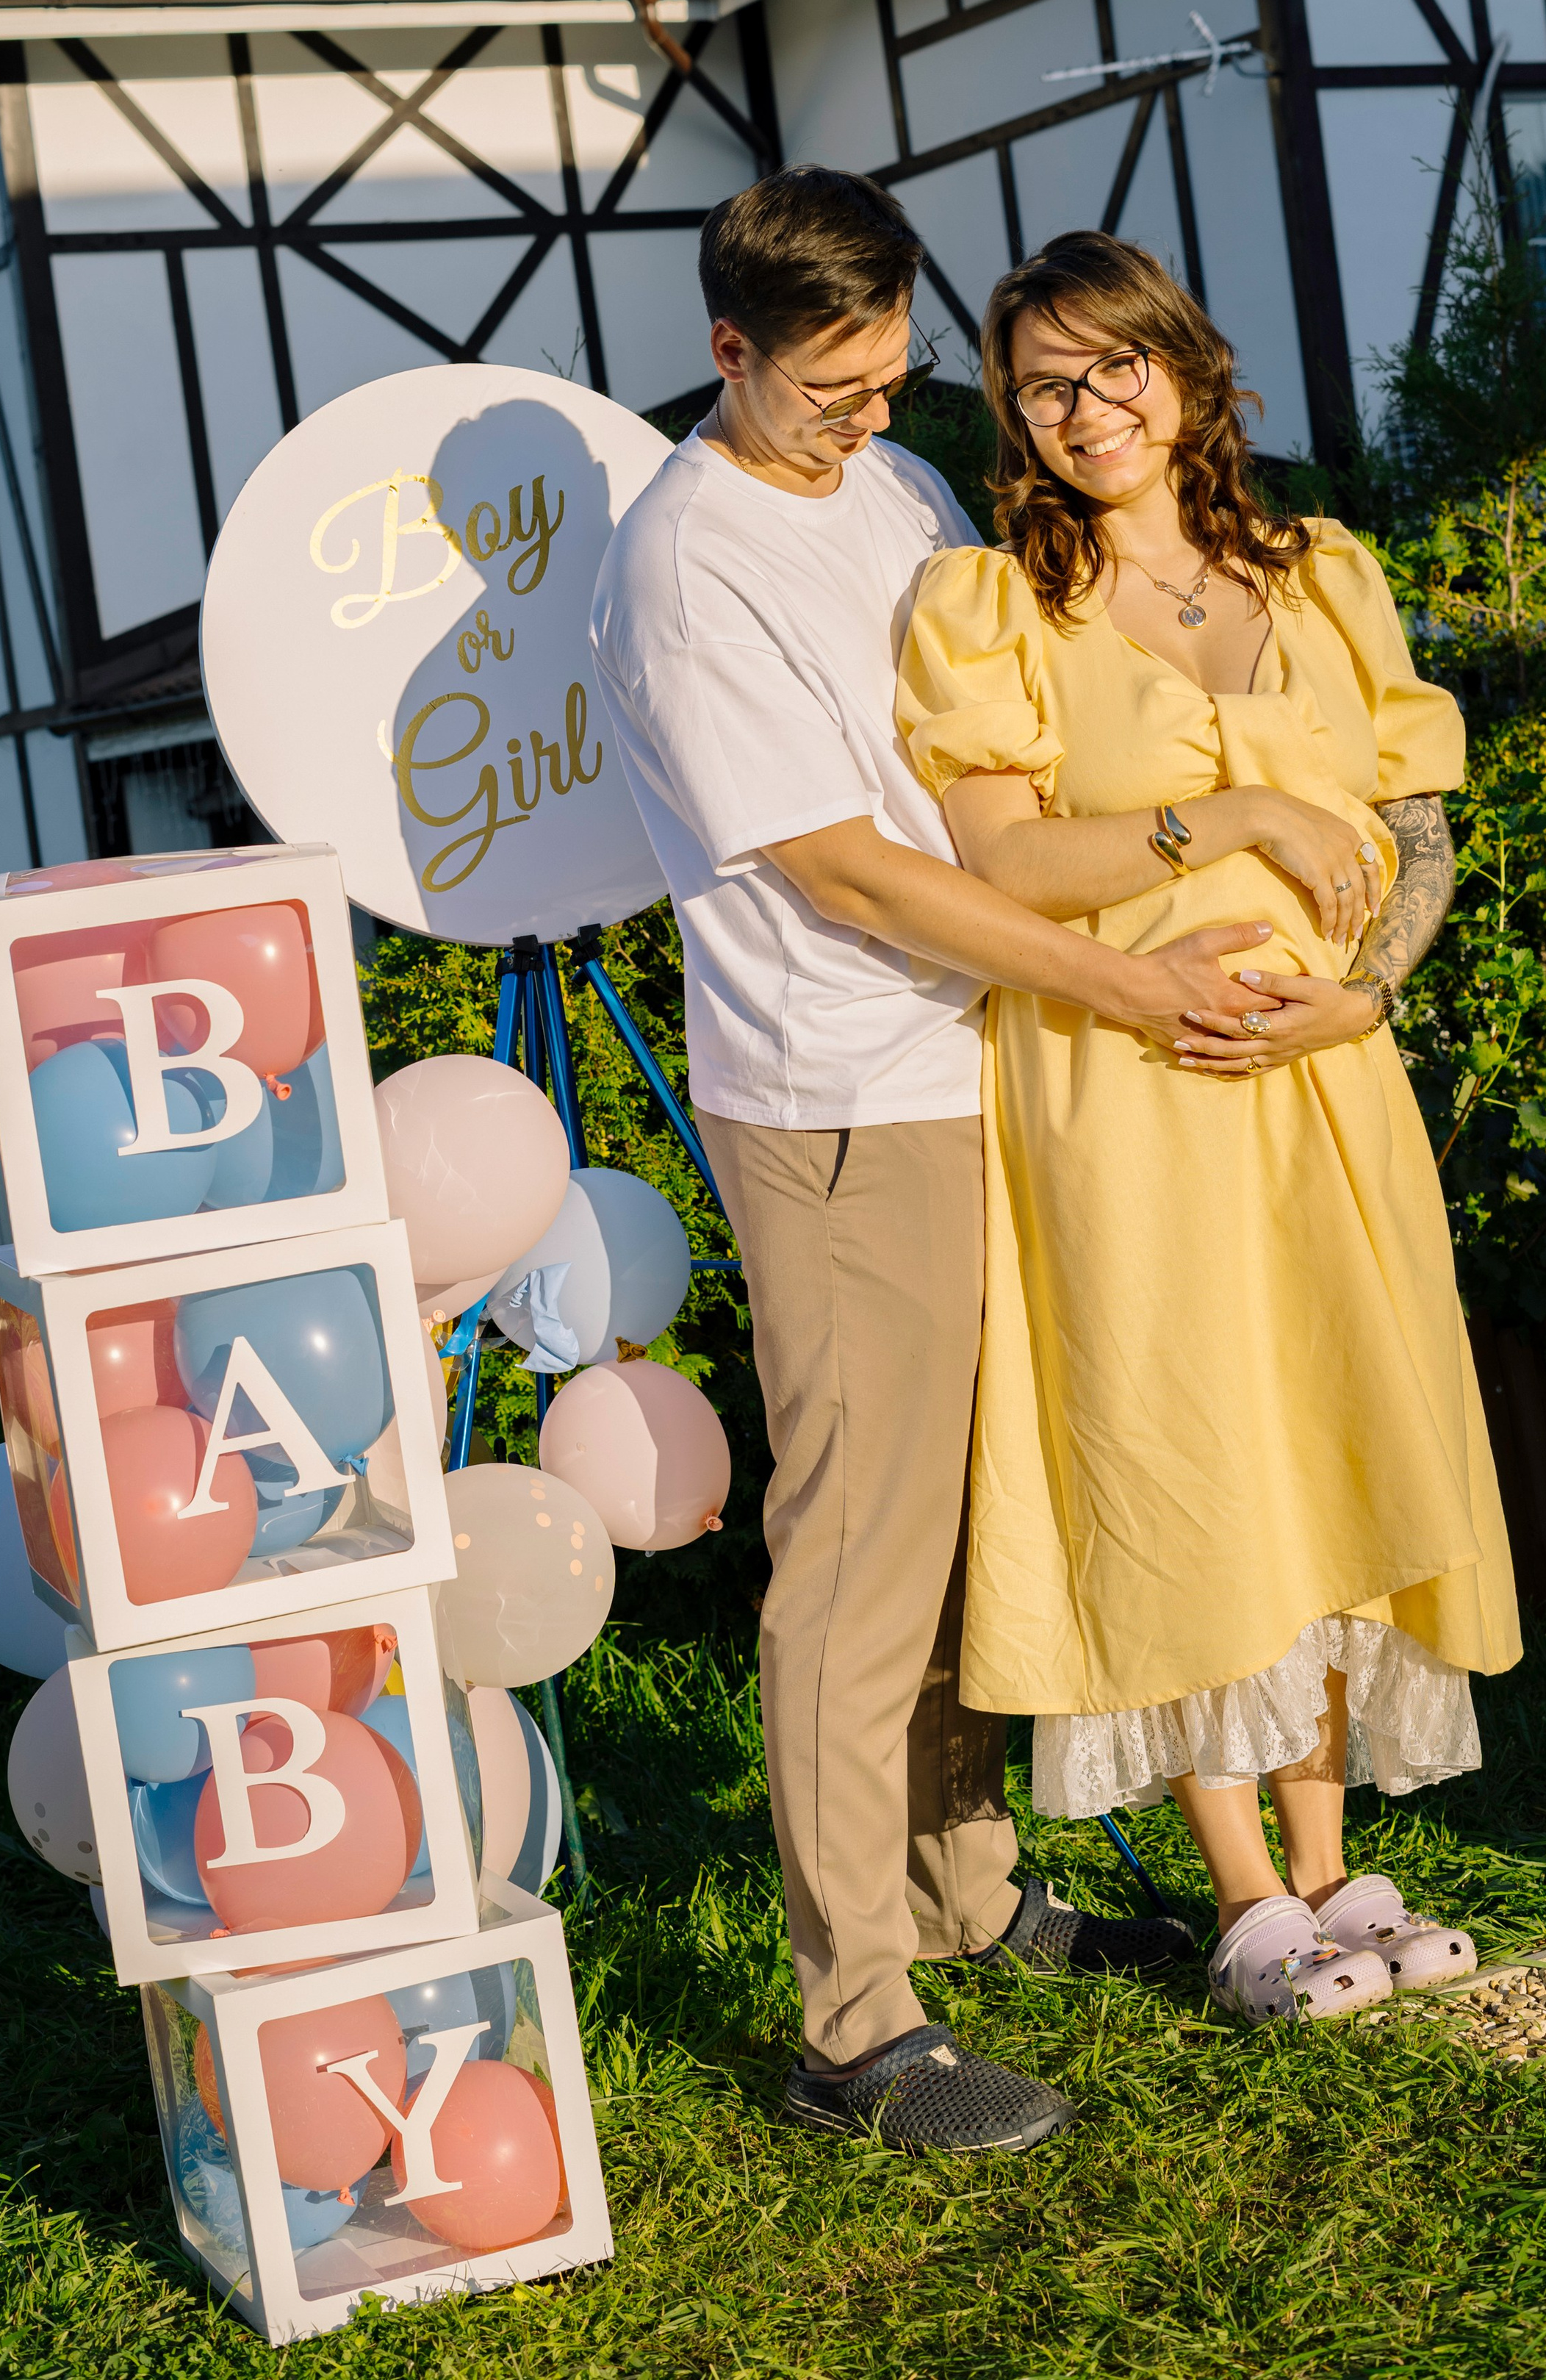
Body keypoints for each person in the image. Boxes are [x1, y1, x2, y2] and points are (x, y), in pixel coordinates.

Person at [592, 171, 1276, 2150]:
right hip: (837, 1100)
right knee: (860, 1554)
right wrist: (1118, 982)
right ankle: (852, 2027)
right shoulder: (683, 564)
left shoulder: (881, 489)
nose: (875, 418)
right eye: (830, 389)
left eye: (896, 379)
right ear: (729, 353)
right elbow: (851, 867)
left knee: (973, 1524)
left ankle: (967, 1896)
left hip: (985, 1059)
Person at [894, 232, 1522, 2024]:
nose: (1086, 411)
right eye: (1042, 383)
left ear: (1183, 370)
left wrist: (1366, 990)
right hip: (1123, 1093)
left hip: (1323, 1090)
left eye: (1115, 369)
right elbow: (1004, 862)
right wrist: (1227, 806)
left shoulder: (1319, 575)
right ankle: (1242, 1895)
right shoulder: (990, 605)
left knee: (1318, 1428)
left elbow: (1416, 824)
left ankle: (1334, 1872)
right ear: (1011, 414)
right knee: (1175, 1448)